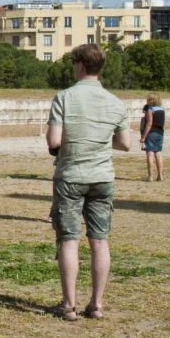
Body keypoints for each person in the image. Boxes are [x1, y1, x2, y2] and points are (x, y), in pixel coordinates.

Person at [46, 44, 131, 321]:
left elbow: (54, 141)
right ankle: (96, 304)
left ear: (80, 65)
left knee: (69, 240)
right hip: (102, 176)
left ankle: (69, 304)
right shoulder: (116, 102)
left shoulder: (64, 98)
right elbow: (125, 143)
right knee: (99, 240)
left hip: (71, 175)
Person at [140, 92, 166, 182]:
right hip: (160, 132)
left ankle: (150, 176)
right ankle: (160, 176)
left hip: (151, 133)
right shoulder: (162, 109)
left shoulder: (150, 110)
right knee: (158, 153)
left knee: (150, 154)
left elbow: (149, 124)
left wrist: (143, 137)